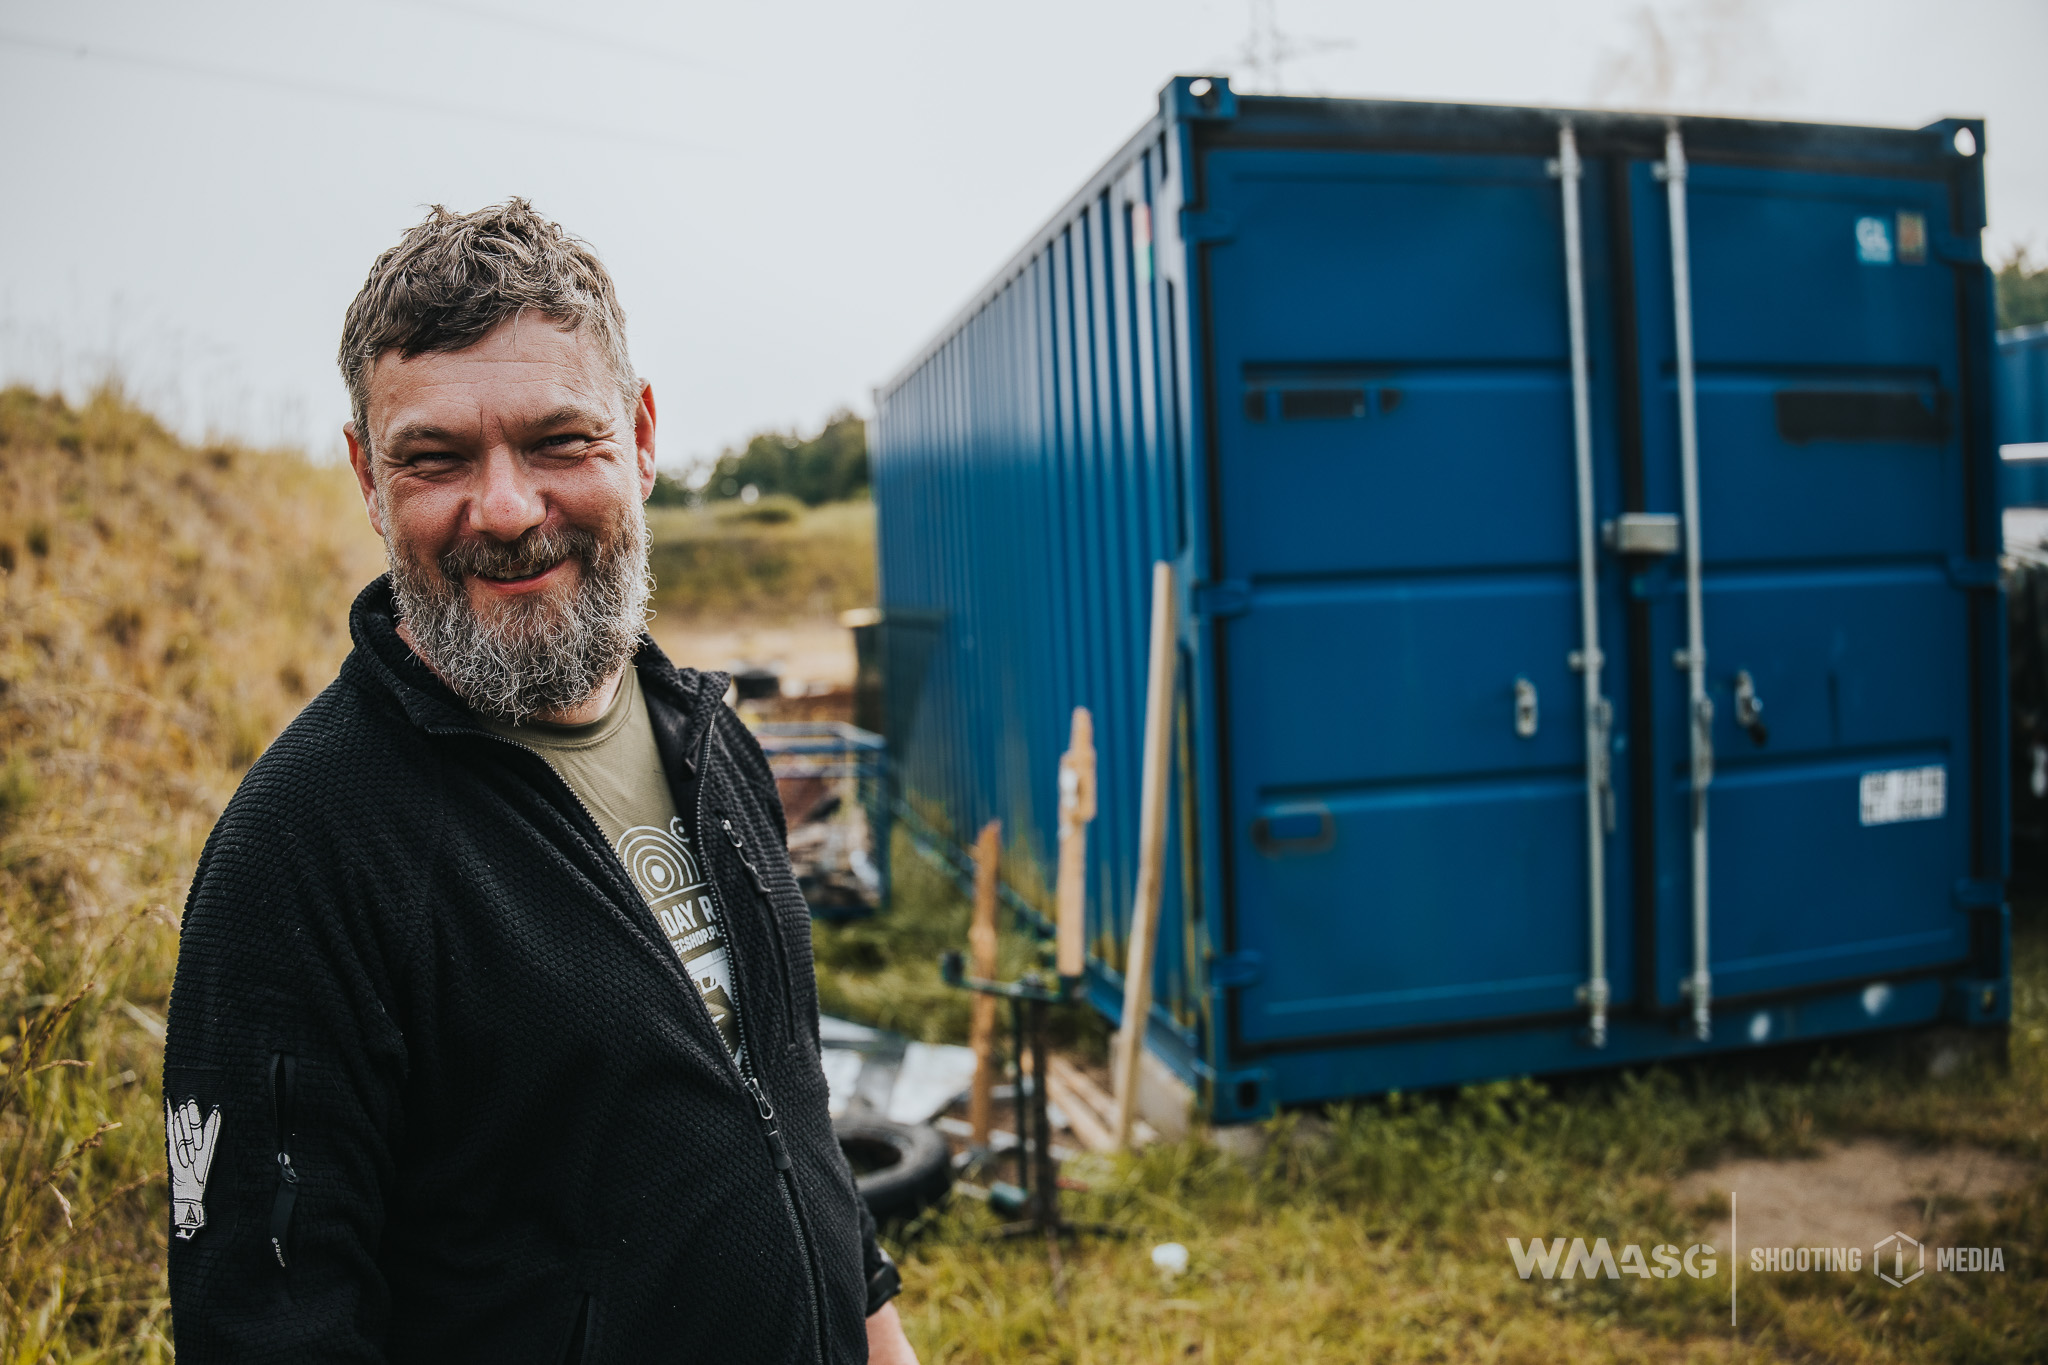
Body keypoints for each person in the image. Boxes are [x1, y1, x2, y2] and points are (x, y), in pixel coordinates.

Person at [163, 199, 918, 1364]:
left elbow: (791, 1112)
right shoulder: (301, 855)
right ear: (367, 475)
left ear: (643, 433)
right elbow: (270, 1326)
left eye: (559, 441)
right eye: (435, 458)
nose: (507, 509)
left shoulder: (714, 747)